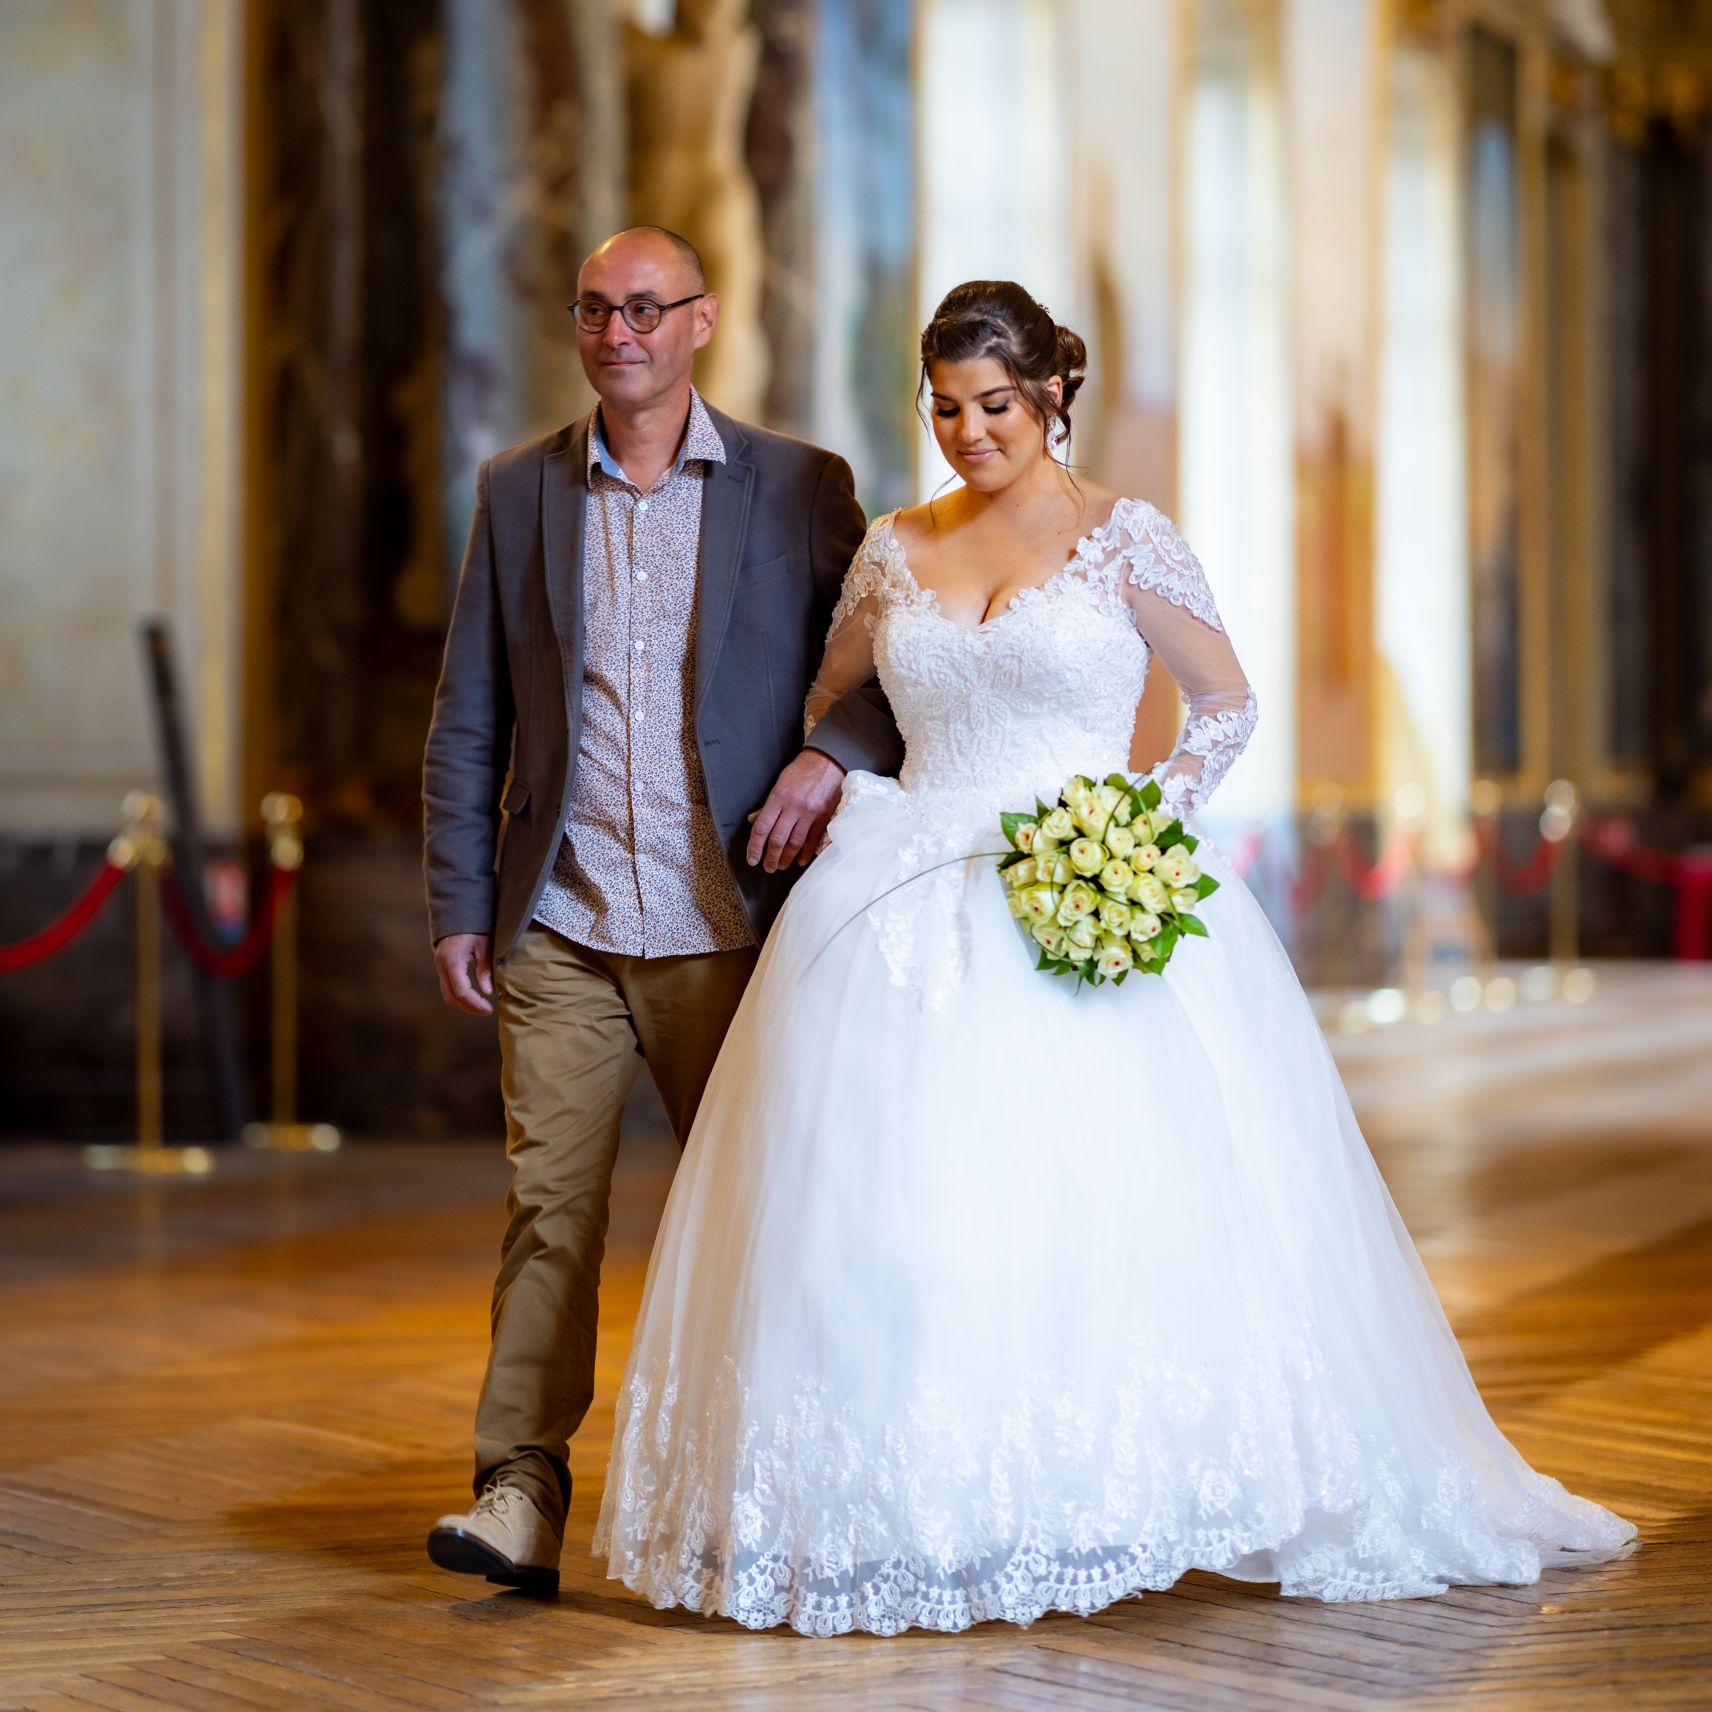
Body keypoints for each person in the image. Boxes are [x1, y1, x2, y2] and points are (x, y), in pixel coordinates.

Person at [594, 280, 1636, 1636]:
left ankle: (1106, 1491)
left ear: (1052, 396)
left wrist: (1142, 821)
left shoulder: (1125, 539)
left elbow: (1226, 705)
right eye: (946, 409)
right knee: (890, 1210)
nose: (970, 432)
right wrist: (825, 762)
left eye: (995, 406)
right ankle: (918, 1501)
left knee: (1103, 1198)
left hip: (1083, 881)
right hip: (902, 902)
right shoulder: (895, 547)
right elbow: (837, 696)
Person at [420, 226, 901, 1591]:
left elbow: (891, 668)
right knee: (549, 1215)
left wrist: (830, 755)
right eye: (594, 309)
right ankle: (518, 1489)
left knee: (760, 1217)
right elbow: (470, 715)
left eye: (644, 308)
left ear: (702, 320)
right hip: (562, 925)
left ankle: (775, 1488)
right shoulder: (519, 491)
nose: (616, 332)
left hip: (732, 929)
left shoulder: (801, 487)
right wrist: (460, 902)